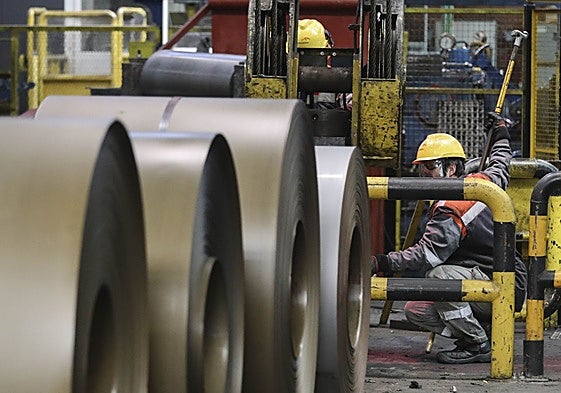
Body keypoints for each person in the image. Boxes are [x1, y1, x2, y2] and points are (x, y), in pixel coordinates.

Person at [371, 113, 527, 364]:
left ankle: (478, 344)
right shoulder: (483, 182)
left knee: (439, 277)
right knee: (416, 310)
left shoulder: (450, 207)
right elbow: (500, 164)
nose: (424, 174)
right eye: (421, 167)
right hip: (485, 280)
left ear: (451, 168)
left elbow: (427, 255)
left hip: (503, 284)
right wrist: (500, 133)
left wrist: (381, 262)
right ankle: (481, 330)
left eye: (430, 167)